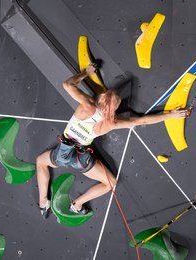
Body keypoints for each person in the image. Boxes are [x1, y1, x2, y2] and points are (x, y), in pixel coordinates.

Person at [36, 64, 188, 219]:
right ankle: (77, 204)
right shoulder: (111, 122)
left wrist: (86, 73)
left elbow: (67, 84)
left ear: (101, 98)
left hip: (63, 152)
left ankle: (43, 202)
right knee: (111, 184)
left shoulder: (87, 104)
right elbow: (142, 121)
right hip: (81, 160)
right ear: (114, 108)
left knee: (40, 162)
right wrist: (170, 115)